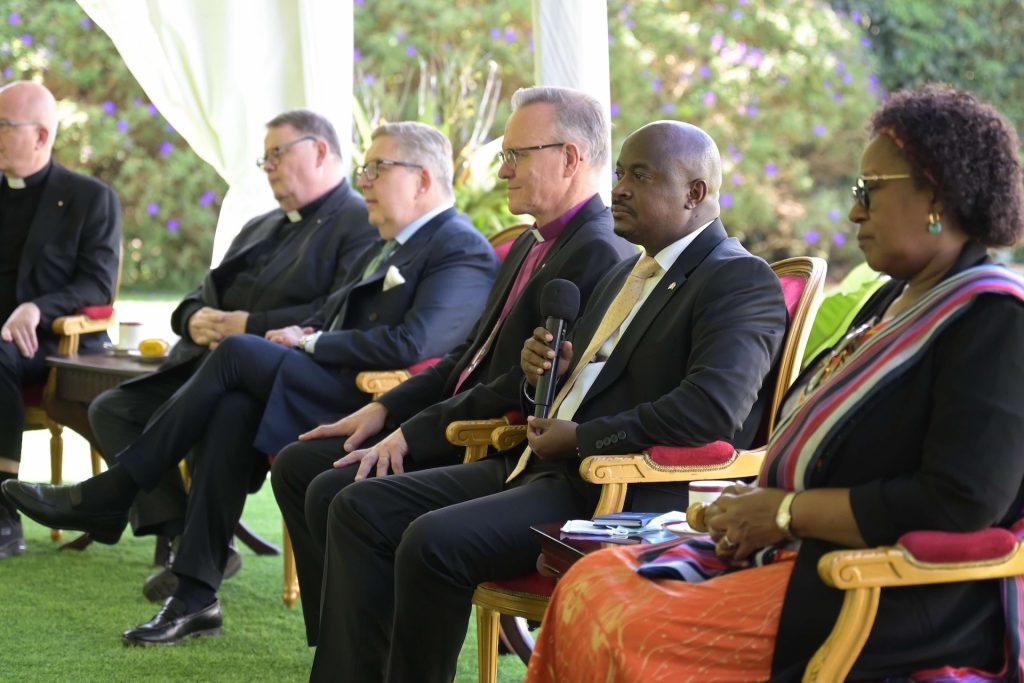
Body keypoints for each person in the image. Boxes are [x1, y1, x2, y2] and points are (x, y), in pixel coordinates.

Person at [524, 85, 1024, 682]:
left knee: (625, 623)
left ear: (936, 195)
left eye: (869, 192)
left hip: (875, 594)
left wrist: (787, 512)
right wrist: (754, 506)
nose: (854, 212)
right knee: (591, 579)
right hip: (796, 550)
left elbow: (960, 501)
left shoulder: (996, 320)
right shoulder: (897, 299)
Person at [308, 120, 788, 682]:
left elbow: (712, 410)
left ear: (694, 192)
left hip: (617, 490)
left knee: (432, 541)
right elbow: (579, 385)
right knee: (359, 505)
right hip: (537, 464)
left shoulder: (737, 279)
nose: (620, 189)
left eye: (639, 175)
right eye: (620, 173)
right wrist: (547, 372)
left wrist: (582, 438)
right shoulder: (626, 273)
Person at [3, 120, 499, 646]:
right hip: (323, 381)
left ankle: (114, 490)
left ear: (422, 180)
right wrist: (303, 333)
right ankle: (195, 596)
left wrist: (306, 343)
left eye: (377, 168)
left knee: (240, 352)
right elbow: (334, 317)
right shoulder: (392, 245)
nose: (366, 181)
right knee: (232, 407)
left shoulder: (459, 247)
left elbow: (409, 343)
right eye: (365, 168)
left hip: (368, 399)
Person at [269, 85, 634, 645]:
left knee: (340, 492)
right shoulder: (533, 243)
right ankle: (349, 647)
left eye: (516, 155)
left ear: (569, 158)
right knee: (301, 463)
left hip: (493, 440)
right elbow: (467, 360)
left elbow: (519, 384)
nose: (503, 170)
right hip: (452, 416)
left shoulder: (599, 251)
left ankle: (365, 656)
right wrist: (383, 409)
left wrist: (410, 437)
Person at [88, 108, 377, 597]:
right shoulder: (262, 225)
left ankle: (190, 555)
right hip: (203, 364)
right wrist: (193, 319)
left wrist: (249, 326)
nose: (268, 167)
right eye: (263, 159)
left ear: (321, 150)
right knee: (111, 409)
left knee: (224, 413)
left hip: (273, 378)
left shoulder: (359, 222)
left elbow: (336, 309)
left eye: (277, 154)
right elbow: (202, 292)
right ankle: (190, 538)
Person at [0, 81, 121, 560]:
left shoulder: (90, 198)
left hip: (52, 342)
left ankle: (4, 511)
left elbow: (96, 285)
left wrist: (37, 307)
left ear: (42, 135)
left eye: (4, 125)